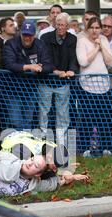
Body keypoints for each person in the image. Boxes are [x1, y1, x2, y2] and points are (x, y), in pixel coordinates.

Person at [2, 20, 53, 130]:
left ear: (34, 34)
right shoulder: (11, 43)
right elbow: (9, 64)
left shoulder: (40, 44)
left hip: (31, 89)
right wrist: (29, 67)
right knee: (15, 120)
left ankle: (25, 145)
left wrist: (40, 69)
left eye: (30, 35)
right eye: (25, 34)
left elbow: (49, 65)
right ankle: (16, 145)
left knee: (28, 120)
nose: (27, 38)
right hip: (12, 89)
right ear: (20, 33)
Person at [76, 16, 112, 155]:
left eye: (97, 28)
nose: (95, 30)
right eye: (92, 27)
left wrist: (102, 46)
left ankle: (105, 148)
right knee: (87, 118)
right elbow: (83, 62)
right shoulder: (81, 41)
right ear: (87, 28)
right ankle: (86, 149)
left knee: (105, 119)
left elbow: (110, 62)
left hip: (104, 86)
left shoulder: (104, 39)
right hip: (87, 86)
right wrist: (96, 47)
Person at [40, 12, 79, 146]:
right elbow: (44, 58)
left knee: (63, 113)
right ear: (55, 25)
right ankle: (43, 141)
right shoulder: (45, 37)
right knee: (44, 112)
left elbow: (74, 58)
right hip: (46, 80)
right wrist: (55, 71)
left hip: (63, 82)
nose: (60, 27)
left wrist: (72, 70)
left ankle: (62, 143)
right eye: (58, 25)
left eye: (63, 25)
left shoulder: (72, 39)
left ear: (68, 26)